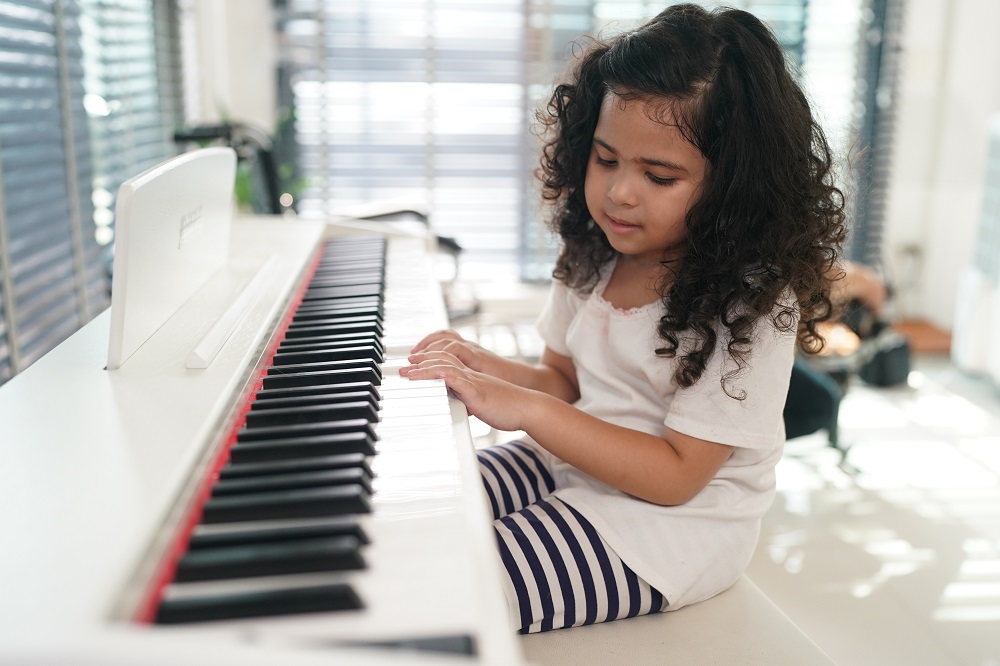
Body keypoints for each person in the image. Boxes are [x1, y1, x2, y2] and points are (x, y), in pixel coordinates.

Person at [400, 4, 846, 634]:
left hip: (670, 528)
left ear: (736, 187)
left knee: (458, 581)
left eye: (659, 175)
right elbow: (563, 383)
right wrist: (483, 370)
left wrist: (530, 412)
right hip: (571, 458)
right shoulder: (594, 250)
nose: (620, 193)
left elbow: (676, 477)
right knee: (419, 508)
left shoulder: (750, 306)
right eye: (606, 160)